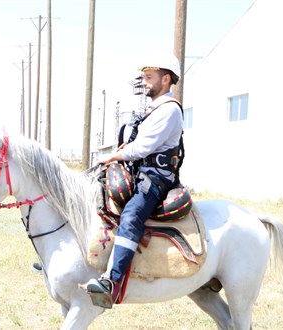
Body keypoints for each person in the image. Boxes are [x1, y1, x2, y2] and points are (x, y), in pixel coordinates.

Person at [83, 55, 184, 309]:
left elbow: (142, 147)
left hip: (156, 179)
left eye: (149, 77)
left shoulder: (169, 110)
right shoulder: (153, 110)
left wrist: (113, 156)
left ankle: (112, 282)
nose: (145, 82)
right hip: (137, 173)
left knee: (130, 217)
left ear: (166, 78)